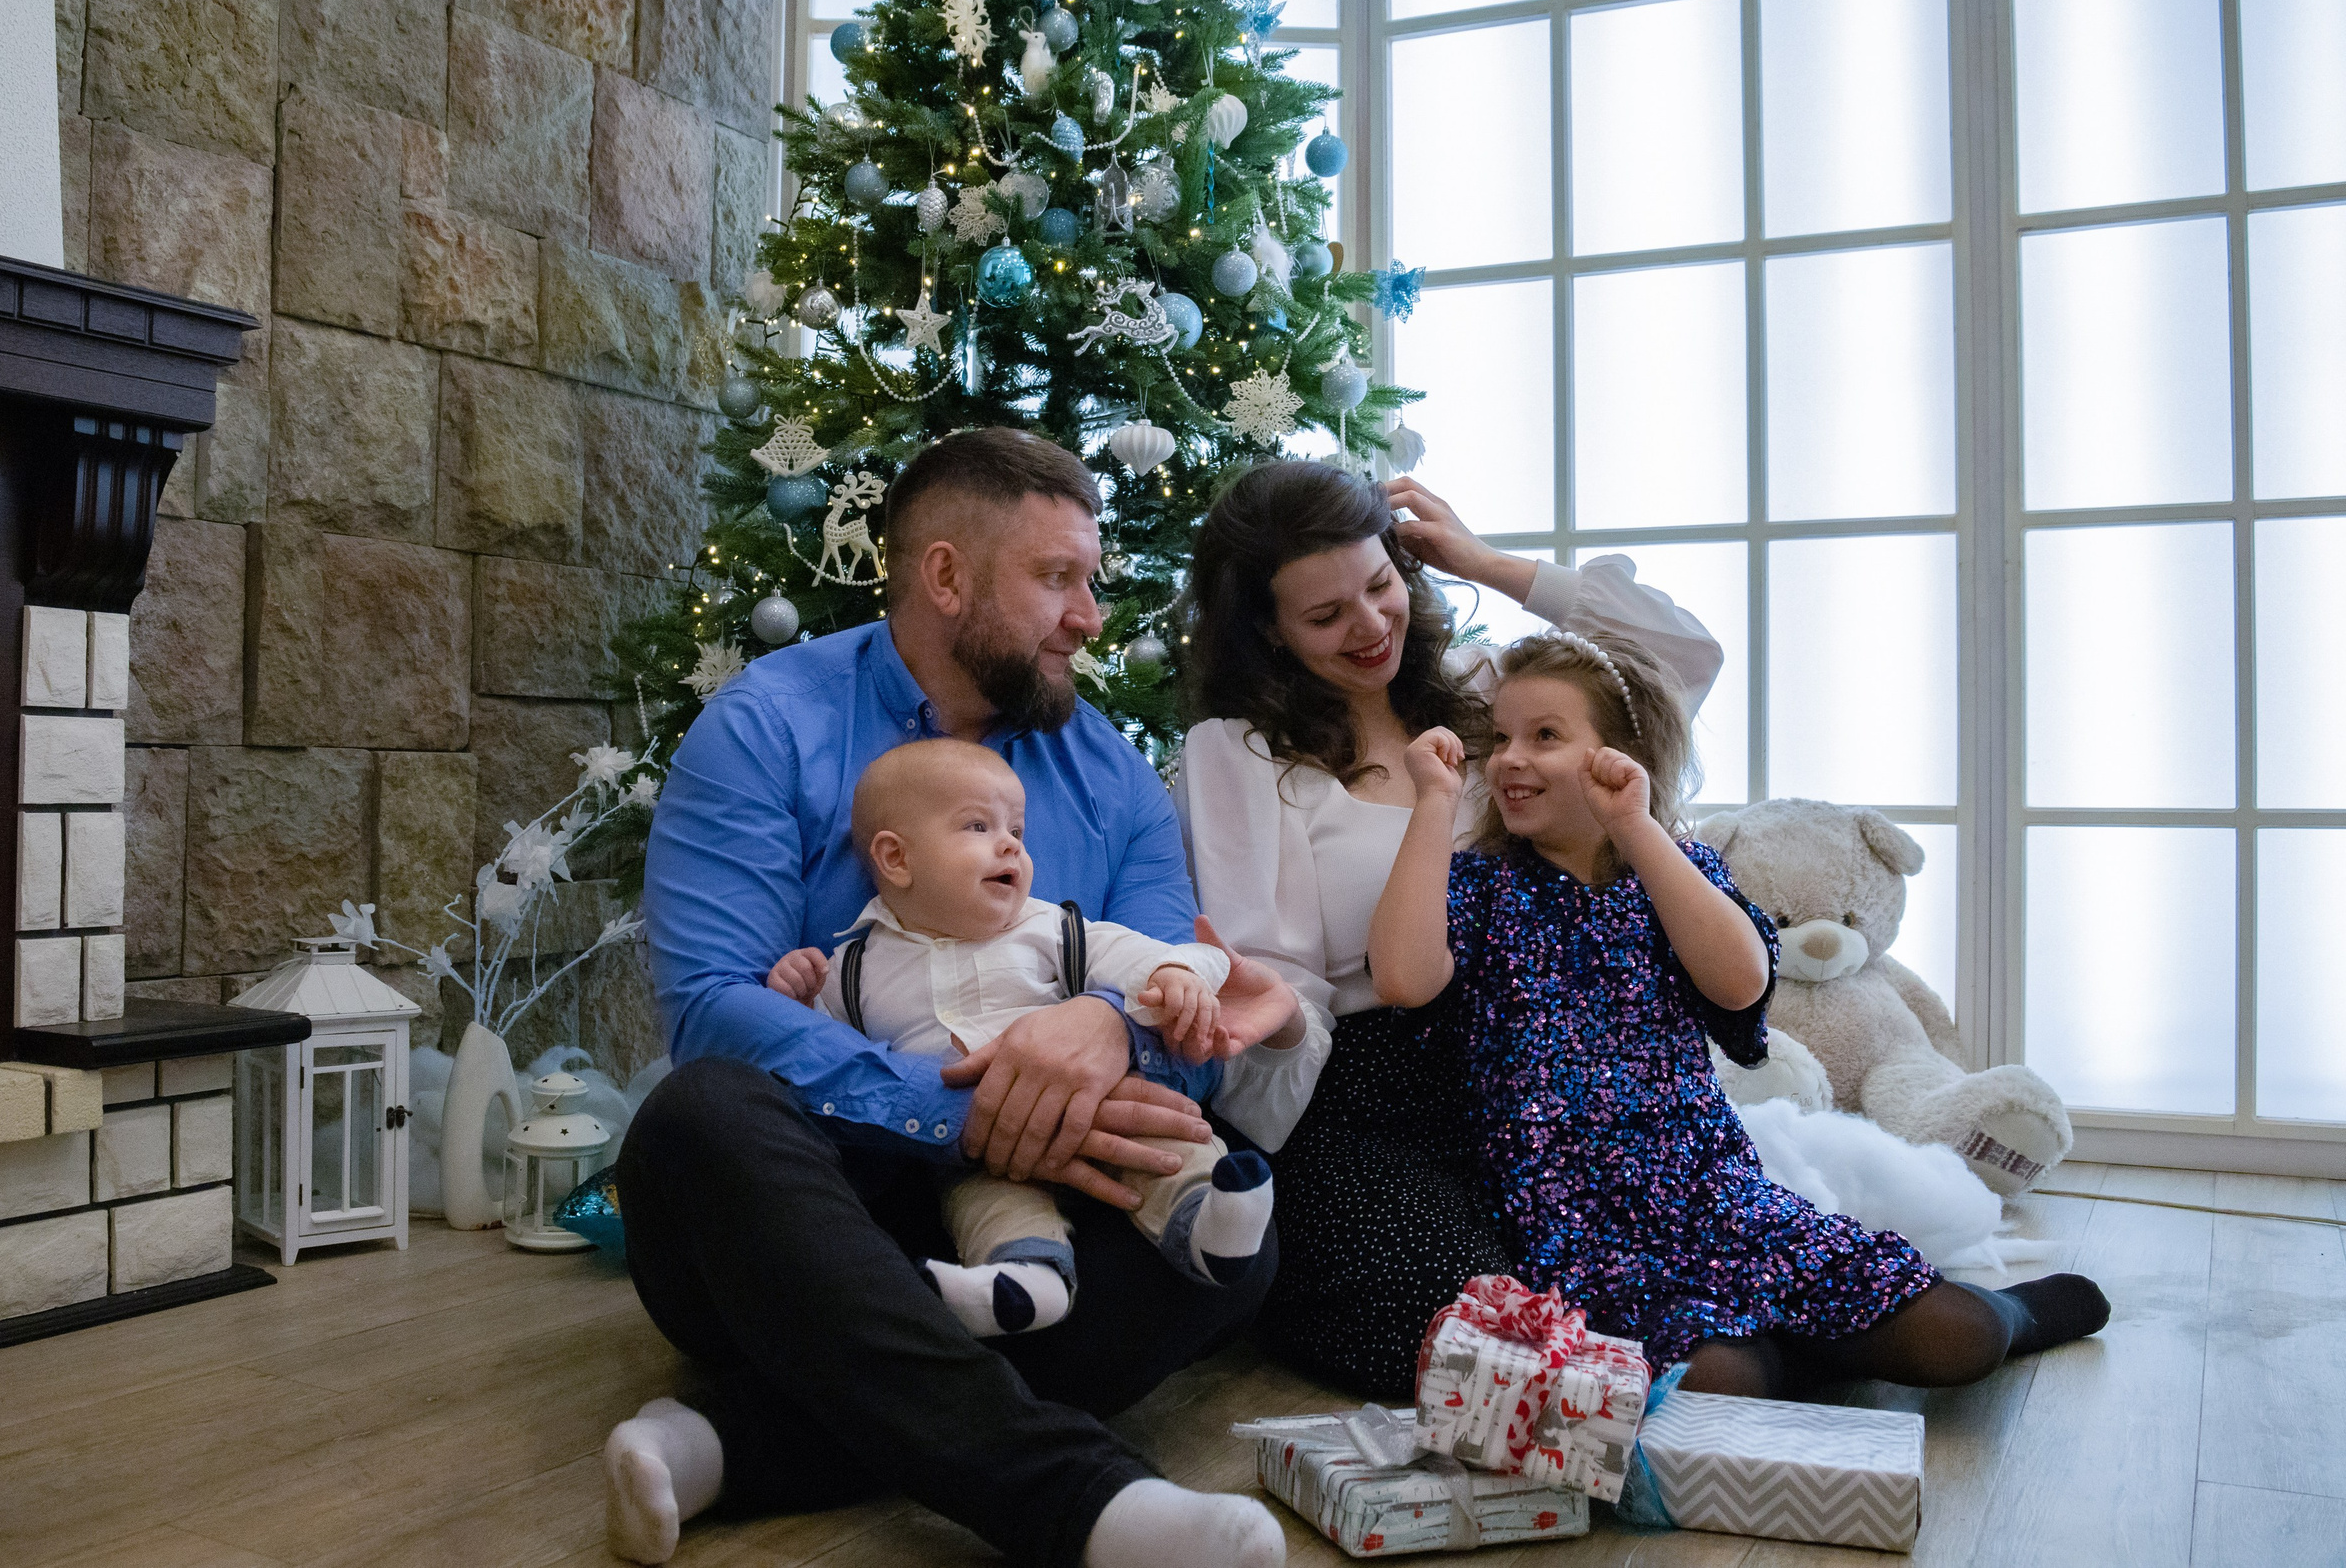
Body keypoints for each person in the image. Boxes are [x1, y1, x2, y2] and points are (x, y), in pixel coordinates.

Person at [608, 429, 1306, 1568]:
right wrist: (962, 1108)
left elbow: (1186, 1010)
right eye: (1057, 578)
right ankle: (1080, 1504)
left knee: (1235, 1236)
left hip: (1037, 1212)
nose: (1089, 617)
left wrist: (1109, 1026)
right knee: (701, 1116)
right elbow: (712, 1009)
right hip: (813, 1213)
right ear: (945, 576)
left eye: (1090, 580)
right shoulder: (765, 728)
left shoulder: (1111, 774)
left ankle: (729, 1443)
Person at [1364, 628, 2111, 1394]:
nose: (1510, 758)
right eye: (1500, 737)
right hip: (1578, 1231)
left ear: (1619, 755)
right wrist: (1435, 802)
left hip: (1715, 1197)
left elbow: (1740, 981)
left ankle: (2000, 1314)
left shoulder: (1676, 869)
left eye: (1544, 735)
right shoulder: (1482, 886)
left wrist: (1635, 826)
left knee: (1962, 1338)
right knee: (1719, 1382)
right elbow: (1401, 977)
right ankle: (1799, 1352)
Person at [1177, 459, 1725, 1397]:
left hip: (1543, 1076)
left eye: (1380, 584)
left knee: (1693, 1304)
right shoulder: (1238, 751)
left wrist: (1486, 562)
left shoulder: (1486, 689)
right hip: (1367, 1097)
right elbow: (1279, 977)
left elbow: (1681, 659)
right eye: (1326, 615)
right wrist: (1274, 1017)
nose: (1370, 626)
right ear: (1268, 630)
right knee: (1503, 1351)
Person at [765, 738, 1296, 1336]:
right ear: (896, 859)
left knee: (1167, 1143)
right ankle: (1026, 1280)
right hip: (975, 1147)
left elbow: (1150, 954)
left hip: (1100, 1105)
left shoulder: (1052, 929)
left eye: (1016, 829)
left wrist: (1174, 974)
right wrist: (797, 998)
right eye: (978, 826)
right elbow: (818, 1053)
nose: (1011, 844)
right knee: (981, 1203)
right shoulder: (853, 968)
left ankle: (1207, 1222)